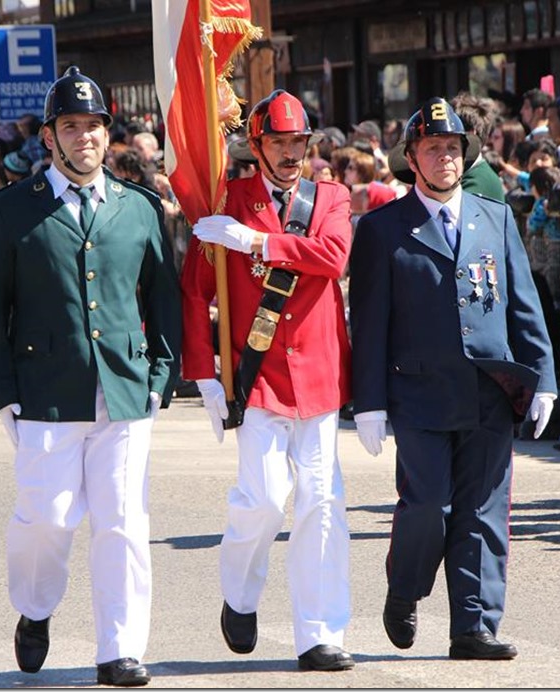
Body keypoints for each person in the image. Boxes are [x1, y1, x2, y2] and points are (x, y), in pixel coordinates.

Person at [0, 66, 181, 687]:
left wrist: (161, 373)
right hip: (44, 392)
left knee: (123, 523)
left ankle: (120, 649)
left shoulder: (139, 208)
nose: (84, 136)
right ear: (49, 137)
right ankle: (35, 609)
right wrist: (3, 393)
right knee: (49, 518)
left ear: (107, 134)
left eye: (94, 126)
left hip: (124, 389)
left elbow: (162, 296)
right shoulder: (11, 211)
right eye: (71, 126)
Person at [349, 97, 556, 661]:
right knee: (428, 505)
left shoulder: (495, 215)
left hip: (490, 388)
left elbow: (523, 303)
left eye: (453, 148)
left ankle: (474, 625)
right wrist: (367, 401)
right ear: (411, 157)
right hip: (417, 392)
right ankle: (405, 588)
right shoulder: (382, 228)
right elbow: (368, 323)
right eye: (432, 148)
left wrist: (544, 378)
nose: (444, 157)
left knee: (484, 511)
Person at [179, 89, 355, 672]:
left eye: (297, 141)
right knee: (262, 501)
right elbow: (194, 291)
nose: (289, 152)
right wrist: (203, 373)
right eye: (278, 142)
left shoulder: (330, 196)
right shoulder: (227, 201)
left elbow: (332, 257)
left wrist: (258, 243)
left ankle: (318, 632)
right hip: (257, 376)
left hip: (319, 373)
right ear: (256, 145)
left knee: (320, 501)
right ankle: (240, 592)